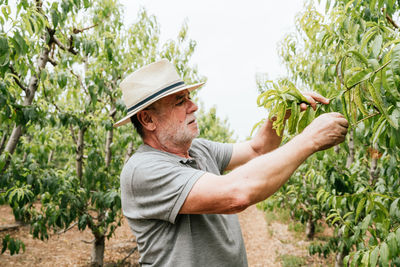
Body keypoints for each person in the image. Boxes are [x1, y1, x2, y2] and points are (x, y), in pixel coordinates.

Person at [114, 59, 348, 267]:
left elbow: (258, 149)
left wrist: (280, 113)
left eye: (189, 98)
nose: (193, 106)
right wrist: (310, 139)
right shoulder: (142, 170)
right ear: (148, 119)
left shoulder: (199, 149)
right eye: (179, 102)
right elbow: (236, 195)